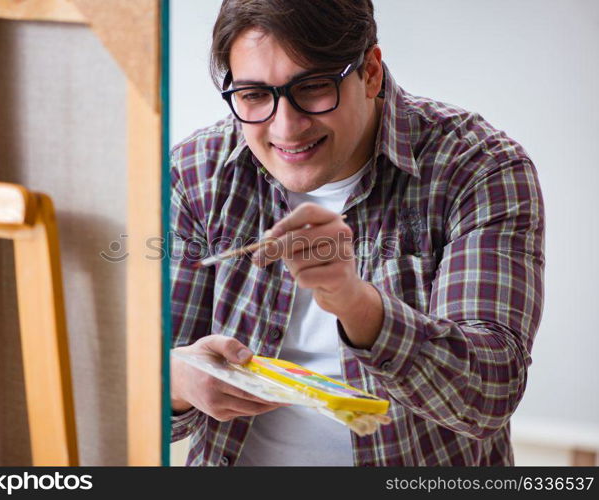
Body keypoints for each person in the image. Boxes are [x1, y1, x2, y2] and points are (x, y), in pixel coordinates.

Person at [169, 0, 544, 466]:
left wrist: (355, 303)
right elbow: (148, 391)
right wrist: (180, 384)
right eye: (253, 96)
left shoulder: (478, 168)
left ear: (370, 72)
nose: (286, 127)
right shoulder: (195, 171)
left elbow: (489, 394)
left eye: (313, 87)